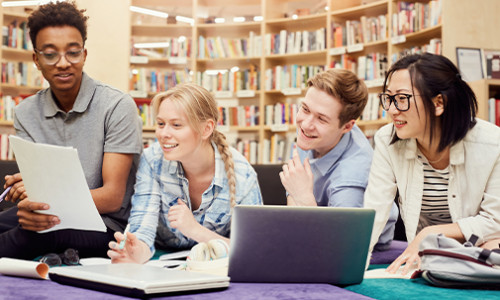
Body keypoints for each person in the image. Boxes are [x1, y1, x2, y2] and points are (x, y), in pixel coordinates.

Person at [0, 1, 142, 259]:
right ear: (36, 59)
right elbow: (39, 186)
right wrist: (26, 197)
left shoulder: (117, 106)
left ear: (84, 55)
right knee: (19, 221)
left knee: (39, 234)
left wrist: (40, 201)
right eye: (50, 54)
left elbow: (111, 198)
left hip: (106, 224)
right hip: (51, 211)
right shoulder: (26, 112)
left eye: (73, 52)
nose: (63, 63)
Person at [364, 53, 500, 275]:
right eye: (388, 98)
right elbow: (374, 209)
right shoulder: (386, 139)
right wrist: (355, 260)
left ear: (438, 103)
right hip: (427, 258)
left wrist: (430, 234)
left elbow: (495, 221)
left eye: (402, 98)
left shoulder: (493, 143)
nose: (391, 109)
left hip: (480, 248)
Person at [107, 83, 263, 264]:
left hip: (213, 270)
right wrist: (135, 252)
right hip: (163, 264)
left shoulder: (243, 175)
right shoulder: (152, 160)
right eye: (160, 124)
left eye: (176, 125)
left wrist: (194, 229)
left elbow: (254, 250)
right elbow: (143, 228)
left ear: (206, 129)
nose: (163, 133)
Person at [279, 68, 398, 250]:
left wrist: (303, 198)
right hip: (316, 230)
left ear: (347, 126)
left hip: (364, 249)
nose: (305, 124)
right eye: (305, 109)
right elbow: (292, 193)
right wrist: (298, 201)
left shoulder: (351, 177)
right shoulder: (311, 133)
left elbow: (342, 246)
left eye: (321, 119)